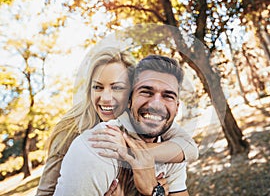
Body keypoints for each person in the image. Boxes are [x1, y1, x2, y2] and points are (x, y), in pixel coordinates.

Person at [36, 45, 198, 195]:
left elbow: (190, 148)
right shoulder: (75, 131)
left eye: (117, 87)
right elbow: (45, 191)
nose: (106, 98)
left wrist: (133, 153)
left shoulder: (156, 126)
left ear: (130, 92)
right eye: (98, 87)